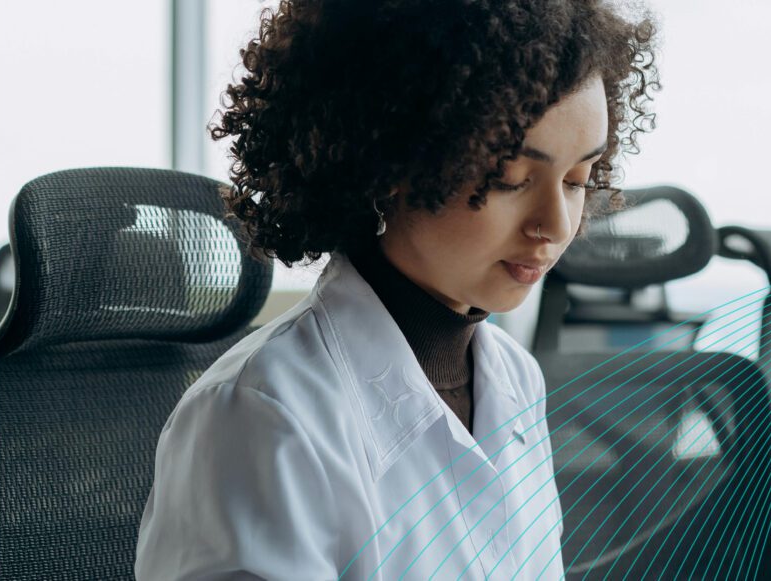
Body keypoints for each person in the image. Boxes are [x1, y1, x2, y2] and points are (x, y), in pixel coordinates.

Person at [135, 0, 658, 578]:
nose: (556, 225)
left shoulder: (513, 378)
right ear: (393, 164)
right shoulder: (263, 413)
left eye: (577, 180)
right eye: (510, 179)